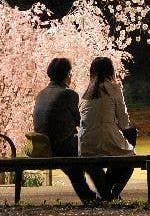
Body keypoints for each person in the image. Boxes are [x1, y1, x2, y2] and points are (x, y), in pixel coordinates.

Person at [32, 58, 100, 204]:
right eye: (71, 73)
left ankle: (92, 198)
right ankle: (105, 195)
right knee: (90, 159)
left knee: (77, 170)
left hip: (45, 145)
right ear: (67, 74)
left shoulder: (42, 93)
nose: (71, 76)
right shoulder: (68, 94)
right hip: (61, 145)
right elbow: (81, 122)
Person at [80, 57, 135, 201]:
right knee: (130, 159)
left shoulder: (85, 92)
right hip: (107, 137)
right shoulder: (114, 89)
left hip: (86, 143)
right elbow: (124, 122)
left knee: (107, 159)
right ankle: (112, 195)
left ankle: (106, 195)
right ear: (111, 71)